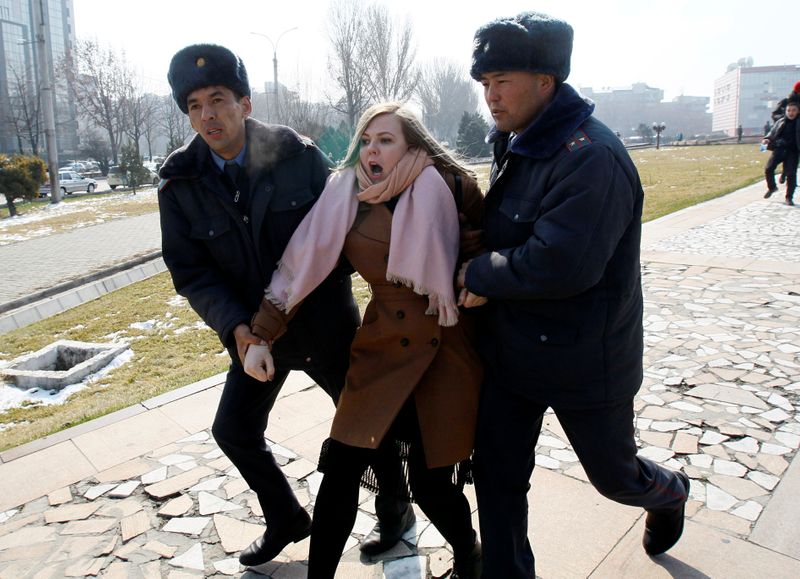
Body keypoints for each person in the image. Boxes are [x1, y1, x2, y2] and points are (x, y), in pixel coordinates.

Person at [456, 12, 690, 578]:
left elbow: (561, 264)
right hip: (512, 353)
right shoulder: (517, 140)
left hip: (586, 359)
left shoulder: (590, 156)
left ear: (547, 80)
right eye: (484, 83)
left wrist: (476, 274)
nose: (491, 95)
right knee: (498, 475)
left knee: (615, 478)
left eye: (502, 80)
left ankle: (670, 492)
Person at [157, 44, 406, 568]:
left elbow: (345, 239)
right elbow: (191, 272)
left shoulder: (299, 156)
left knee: (369, 421)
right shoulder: (180, 181)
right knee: (234, 430)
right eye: (195, 104)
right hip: (254, 335)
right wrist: (239, 331)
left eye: (219, 99)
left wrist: (297, 293)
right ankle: (286, 516)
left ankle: (395, 509)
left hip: (324, 326)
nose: (208, 114)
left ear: (245, 103)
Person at [244, 102, 484, 579]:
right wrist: (261, 333)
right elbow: (302, 264)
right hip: (382, 349)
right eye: (367, 140)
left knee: (431, 483)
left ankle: (470, 554)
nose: (372, 150)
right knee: (342, 469)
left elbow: (484, 251)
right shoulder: (346, 197)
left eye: (386, 140)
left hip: (445, 347)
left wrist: (475, 276)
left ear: (412, 145)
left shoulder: (453, 185)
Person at [762, 97, 799, 205]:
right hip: (779, 149)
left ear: (798, 111)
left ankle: (789, 198)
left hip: (793, 152)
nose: (791, 113)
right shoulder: (781, 121)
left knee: (791, 174)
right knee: (768, 169)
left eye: (793, 110)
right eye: (788, 110)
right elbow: (772, 133)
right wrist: (766, 139)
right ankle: (772, 187)